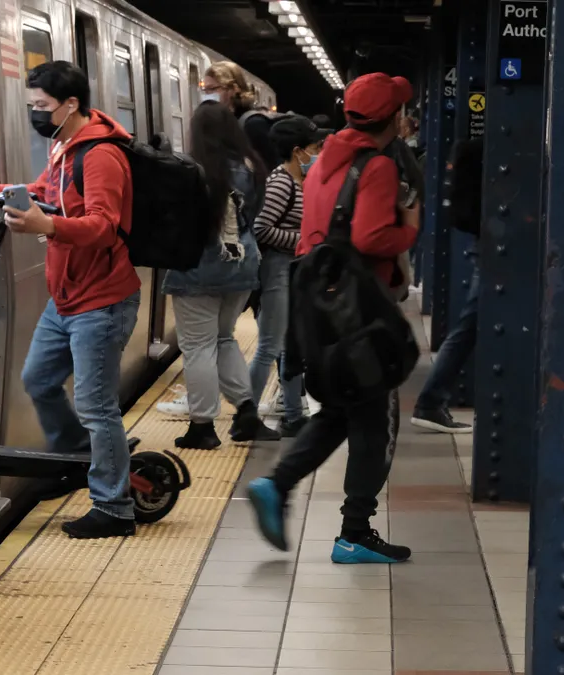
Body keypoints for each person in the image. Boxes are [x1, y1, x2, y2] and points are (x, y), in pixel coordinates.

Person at [0, 60, 141, 539]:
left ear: (71, 104)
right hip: (65, 298)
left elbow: (104, 226)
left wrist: (48, 226)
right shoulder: (63, 145)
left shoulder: (101, 155)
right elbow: (43, 194)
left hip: (100, 300)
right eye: (32, 106)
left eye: (43, 106)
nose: (36, 114)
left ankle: (114, 507)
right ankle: (78, 459)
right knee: (38, 379)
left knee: (97, 405)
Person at [247, 73, 420, 564]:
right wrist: (407, 231)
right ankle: (354, 532)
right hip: (359, 310)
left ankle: (276, 484)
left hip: (321, 299)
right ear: (392, 118)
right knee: (373, 417)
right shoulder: (377, 165)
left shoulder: (326, 159)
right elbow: (368, 239)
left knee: (345, 407)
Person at [160, 101, 272, 449]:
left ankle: (203, 427)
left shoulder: (189, 169)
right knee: (223, 338)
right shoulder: (252, 167)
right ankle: (247, 411)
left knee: (198, 348)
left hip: (198, 270)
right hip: (241, 266)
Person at [248, 116, 323, 439]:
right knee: (269, 345)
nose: (317, 153)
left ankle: (294, 413)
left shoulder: (298, 181)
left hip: (291, 270)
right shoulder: (281, 182)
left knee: (289, 346)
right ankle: (246, 415)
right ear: (297, 151)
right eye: (313, 148)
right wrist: (302, 240)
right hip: (278, 268)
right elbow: (261, 228)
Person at [410, 136, 483, 434]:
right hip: (496, 250)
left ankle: (431, 401)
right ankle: (429, 401)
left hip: (485, 245)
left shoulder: (476, 146)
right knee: (468, 327)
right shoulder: (491, 147)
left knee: (469, 326)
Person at [202, 61, 278, 172]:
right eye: (205, 90)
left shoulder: (253, 124)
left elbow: (269, 169)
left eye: (213, 89)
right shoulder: (218, 123)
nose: (207, 95)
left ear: (233, 89)